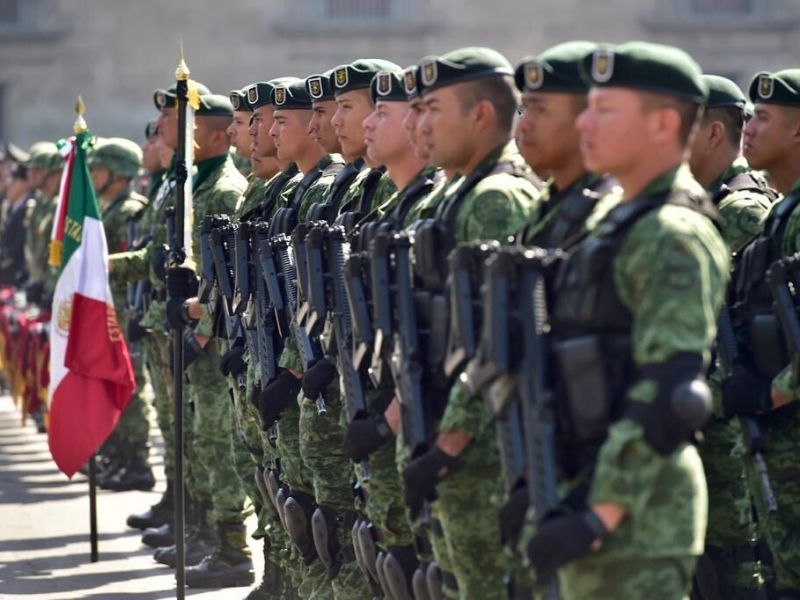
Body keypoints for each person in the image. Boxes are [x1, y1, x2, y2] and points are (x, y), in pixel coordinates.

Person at [521, 41, 729, 599]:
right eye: (587, 106)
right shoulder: (613, 220)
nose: (585, 121)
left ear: (663, 123)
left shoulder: (672, 233)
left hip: (637, 520)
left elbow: (671, 394)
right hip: (583, 488)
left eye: (605, 110)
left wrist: (598, 517)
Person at [399, 46, 541, 599]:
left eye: (432, 108)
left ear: (481, 115)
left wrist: (449, 444)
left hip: (482, 449)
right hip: (451, 434)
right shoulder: (458, 193)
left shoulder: (495, 199)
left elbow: (493, 336)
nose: (420, 124)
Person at [687, 74, 776, 599]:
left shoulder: (741, 211)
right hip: (705, 426)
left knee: (738, 573)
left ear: (714, 132)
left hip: (736, 436)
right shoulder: (701, 203)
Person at [162, 93, 253, 588]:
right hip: (200, 328)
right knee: (204, 440)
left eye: (187, 127)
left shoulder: (222, 189)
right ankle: (210, 535)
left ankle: (230, 547)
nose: (177, 136)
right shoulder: (198, 183)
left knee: (219, 443)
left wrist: (199, 332)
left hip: (215, 338)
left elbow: (225, 278)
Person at [725, 67, 800, 597]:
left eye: (765, 118)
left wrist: (774, 391)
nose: (748, 129)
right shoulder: (781, 214)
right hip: (777, 455)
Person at [87, 137, 153, 492]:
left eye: (99, 170)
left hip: (125, 311)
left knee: (130, 386)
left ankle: (136, 461)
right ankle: (120, 454)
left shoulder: (129, 210)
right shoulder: (107, 207)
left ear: (118, 174)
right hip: (107, 310)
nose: (93, 176)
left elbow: (133, 268)